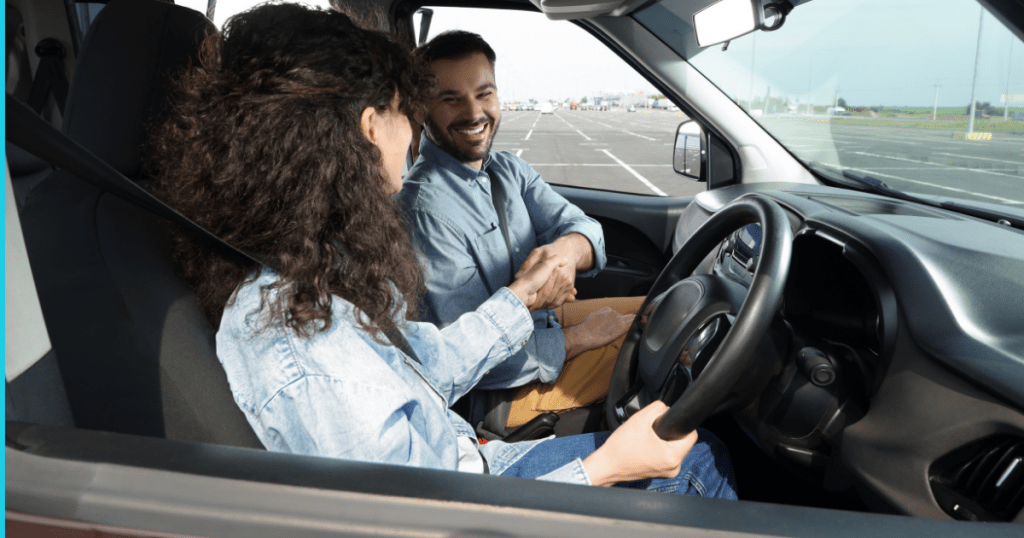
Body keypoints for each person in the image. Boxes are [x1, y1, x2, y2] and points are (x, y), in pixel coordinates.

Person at [151, 3, 735, 496]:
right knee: (697, 459)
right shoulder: (308, 350)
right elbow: (417, 519)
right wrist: (607, 467)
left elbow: (423, 363)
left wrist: (524, 294)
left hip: (466, 462)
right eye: (409, 109)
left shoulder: (306, 277)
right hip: (465, 490)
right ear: (371, 127)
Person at [397, 31, 642, 430]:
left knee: (663, 308)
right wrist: (579, 337)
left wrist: (565, 254)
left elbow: (585, 229)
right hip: (495, 393)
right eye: (451, 98)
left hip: (543, 328)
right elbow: (467, 359)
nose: (474, 112)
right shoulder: (424, 211)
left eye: (484, 93)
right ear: (422, 110)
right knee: (653, 348)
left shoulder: (507, 170)